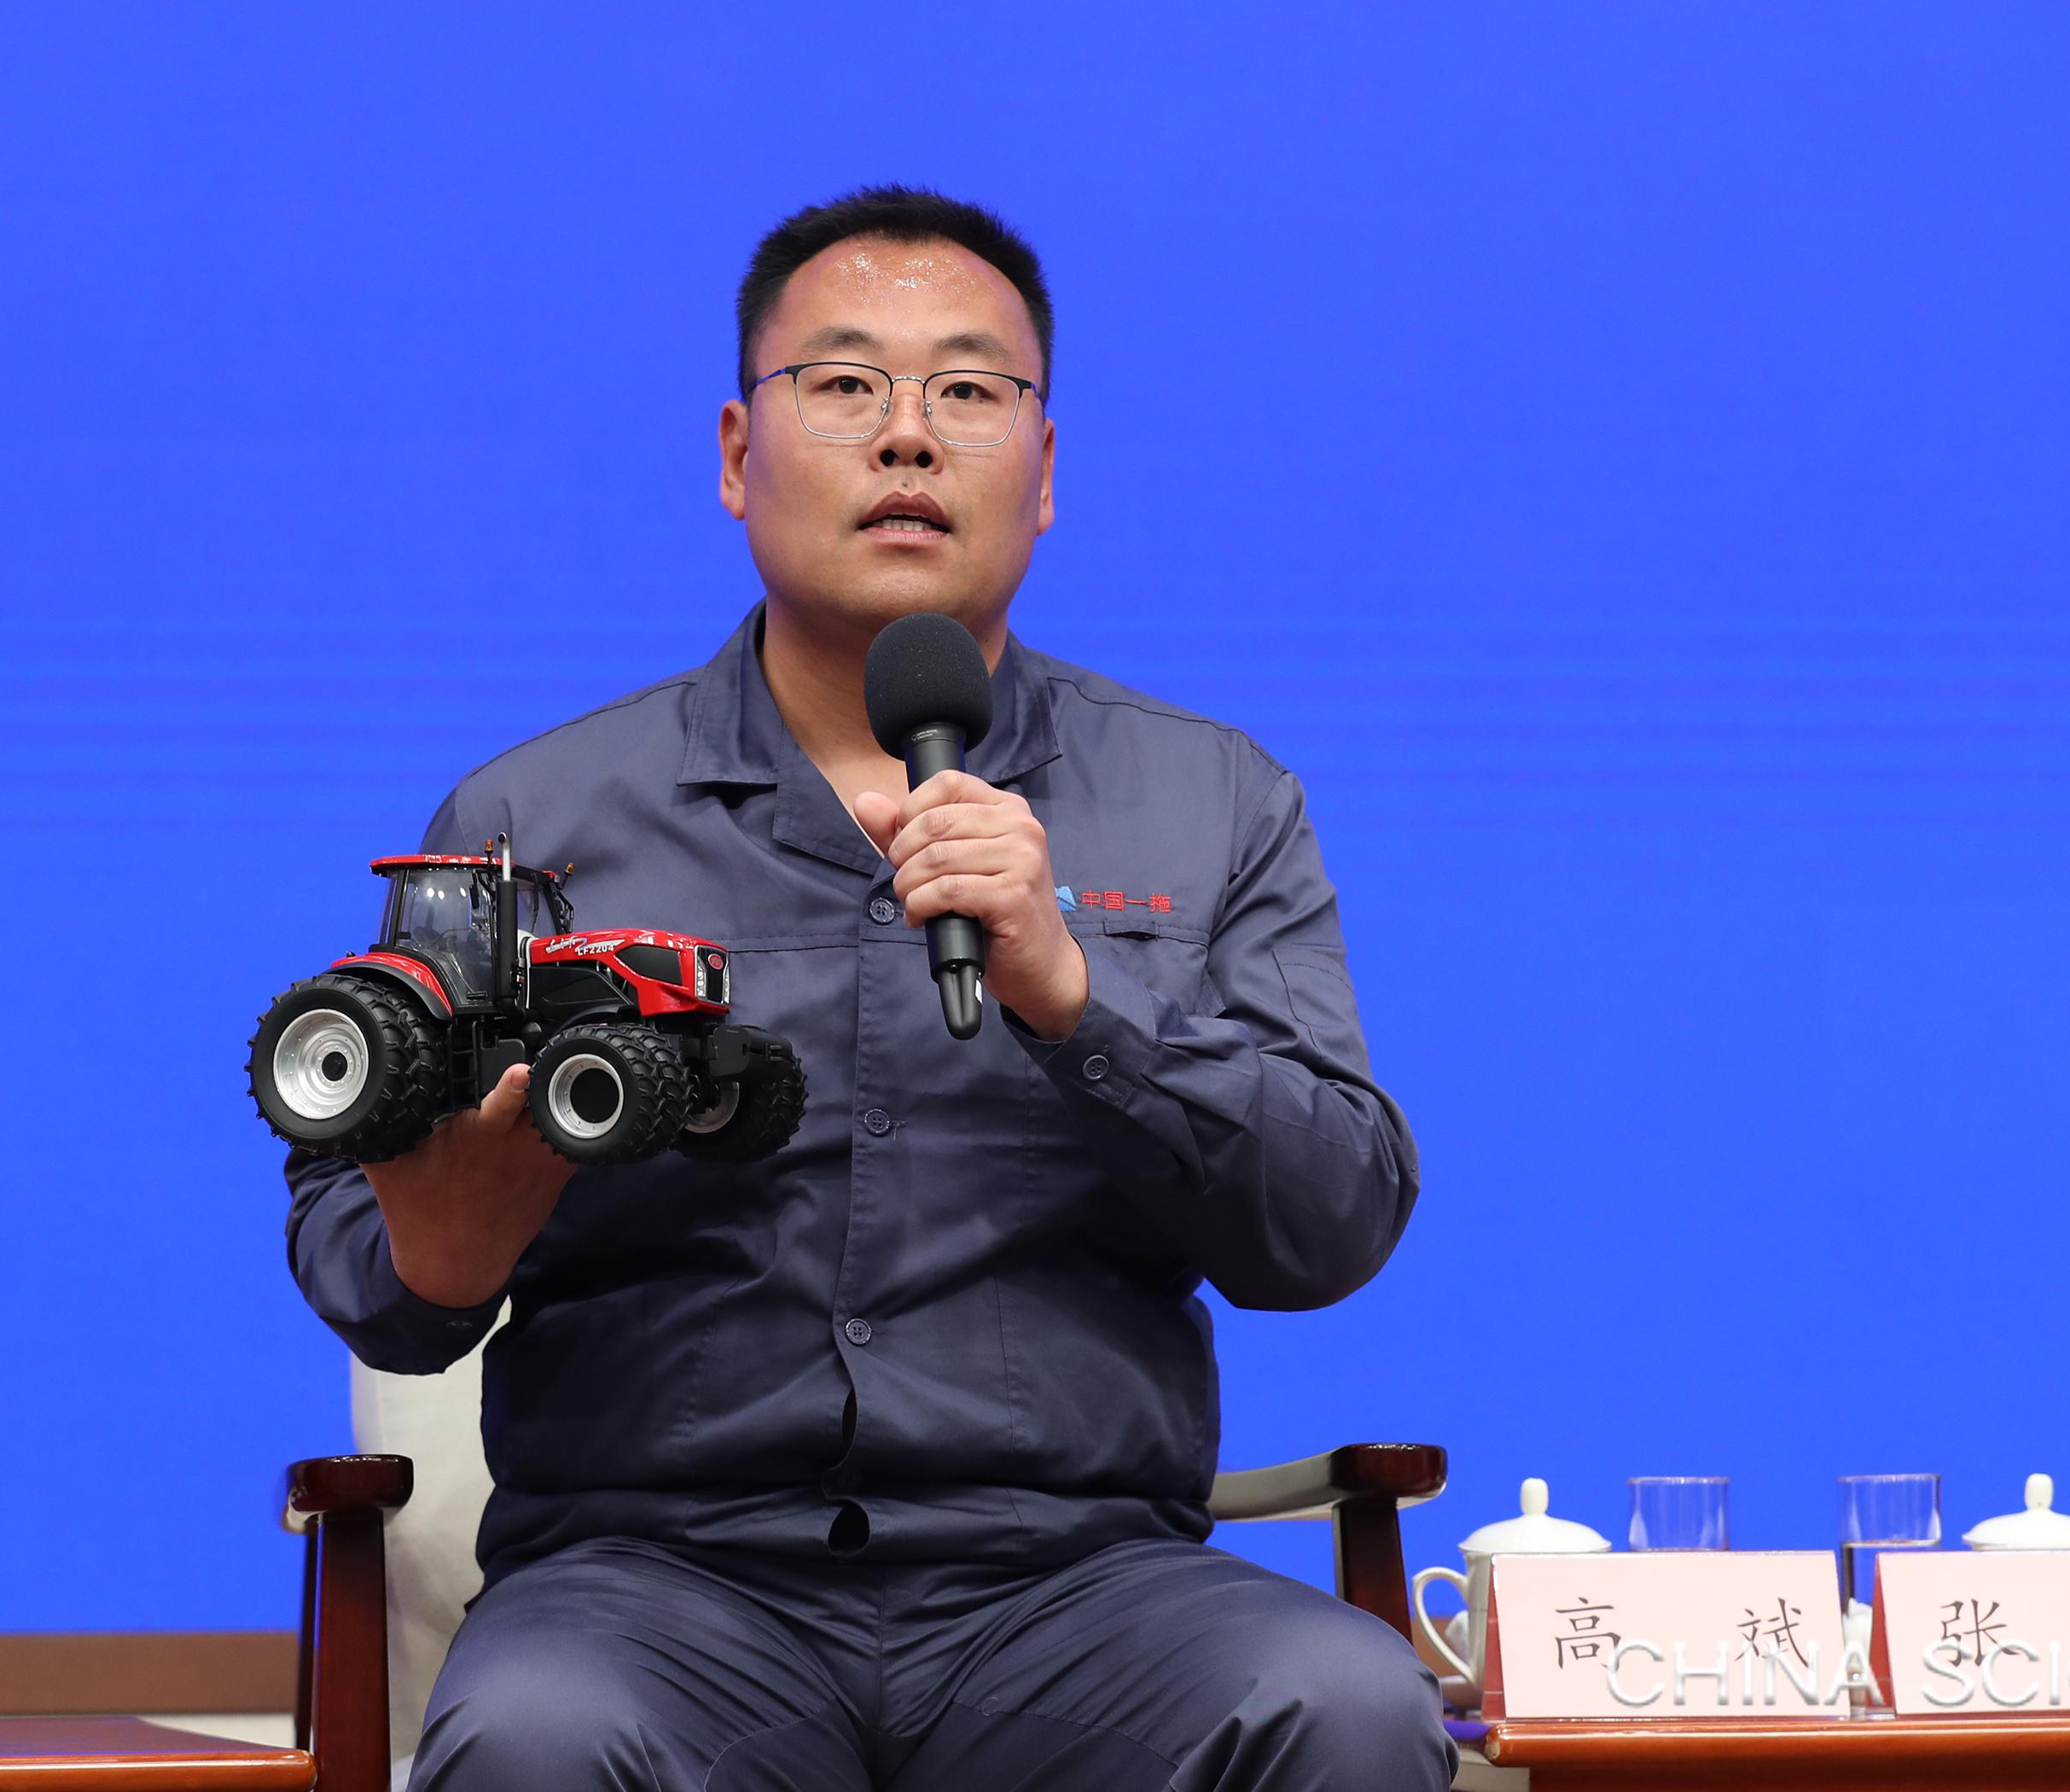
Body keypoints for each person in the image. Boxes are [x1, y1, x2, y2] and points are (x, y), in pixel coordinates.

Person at [287, 185, 1450, 1791]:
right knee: (535, 1741)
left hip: (1080, 1590)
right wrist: (445, 1240)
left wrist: (1079, 998)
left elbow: (1335, 1223)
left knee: (1345, 1705)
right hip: (657, 1590)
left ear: (1045, 472)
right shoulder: (534, 821)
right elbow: (364, 1259)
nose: (909, 436)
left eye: (969, 389)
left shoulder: (1214, 802)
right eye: (845, 383)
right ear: (734, 455)